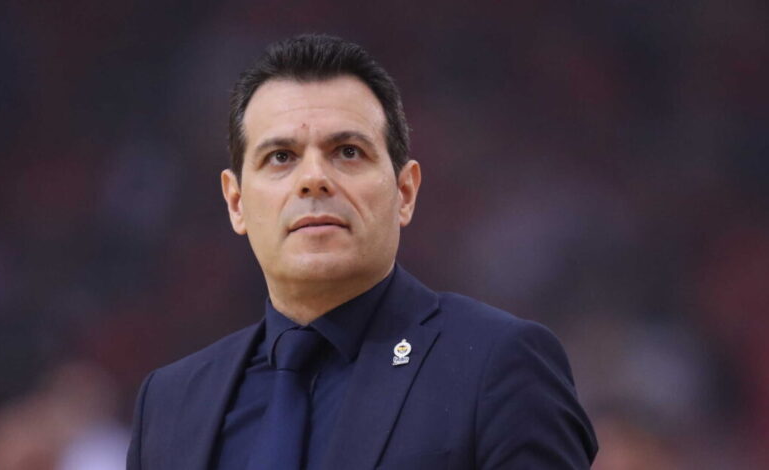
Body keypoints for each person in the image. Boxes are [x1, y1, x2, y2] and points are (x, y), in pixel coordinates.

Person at [126, 34, 598, 470]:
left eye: (348, 152)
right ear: (236, 203)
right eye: (281, 157)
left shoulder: (498, 364)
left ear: (405, 192)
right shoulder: (170, 402)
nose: (314, 178)